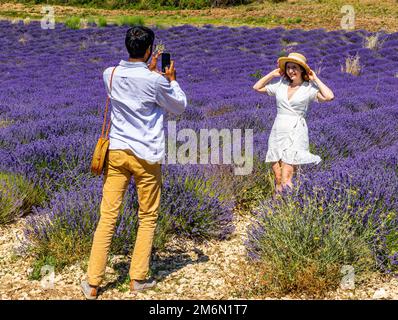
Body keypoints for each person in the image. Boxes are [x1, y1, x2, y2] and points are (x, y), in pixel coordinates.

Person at [81, 26, 187, 300]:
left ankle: (93, 283)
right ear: (150, 50)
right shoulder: (156, 81)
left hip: (116, 152)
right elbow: (178, 107)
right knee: (147, 216)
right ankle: (137, 279)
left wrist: (148, 69)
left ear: (128, 47)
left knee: (108, 216)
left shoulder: (110, 74)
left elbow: (131, 84)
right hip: (146, 156)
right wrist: (171, 79)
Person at [253, 52, 334, 195]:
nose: (291, 71)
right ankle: (277, 209)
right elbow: (257, 87)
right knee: (278, 178)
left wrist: (315, 78)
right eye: (289, 67)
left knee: (286, 177)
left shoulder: (309, 89)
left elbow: (329, 96)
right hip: (278, 131)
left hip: (296, 132)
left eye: (295, 67)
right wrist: (272, 74)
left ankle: (287, 209)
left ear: (302, 69)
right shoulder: (280, 85)